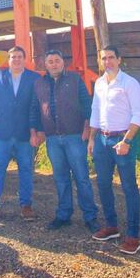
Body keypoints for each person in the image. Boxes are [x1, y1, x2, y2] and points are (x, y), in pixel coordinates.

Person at [31, 49, 99, 232]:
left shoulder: (75, 80)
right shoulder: (39, 84)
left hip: (74, 136)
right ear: (45, 65)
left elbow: (87, 104)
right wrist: (35, 131)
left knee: (82, 178)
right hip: (53, 139)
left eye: (57, 60)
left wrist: (87, 127)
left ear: (63, 62)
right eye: (50, 61)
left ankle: (90, 216)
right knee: (60, 178)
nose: (54, 64)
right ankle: (63, 214)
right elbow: (35, 110)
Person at [88, 45, 140, 254]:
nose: (108, 62)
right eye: (104, 58)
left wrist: (127, 141)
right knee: (103, 184)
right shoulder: (99, 83)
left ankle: (133, 236)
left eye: (111, 58)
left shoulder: (130, 83)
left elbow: (139, 114)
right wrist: (92, 139)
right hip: (102, 141)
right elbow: (95, 111)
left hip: (123, 140)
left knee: (129, 187)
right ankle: (111, 227)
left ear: (119, 59)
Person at [0, 46, 42, 222]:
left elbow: (36, 107)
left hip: (25, 134)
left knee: (26, 170)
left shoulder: (34, 78)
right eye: (13, 57)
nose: (16, 59)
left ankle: (26, 206)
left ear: (24, 59)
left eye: (19, 56)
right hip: (2, 133)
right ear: (8, 60)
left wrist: (35, 131)